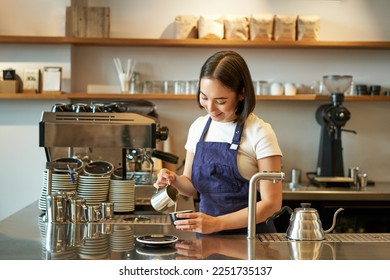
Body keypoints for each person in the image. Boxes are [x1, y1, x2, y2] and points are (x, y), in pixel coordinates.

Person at [153, 50, 283, 235]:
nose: (211, 108)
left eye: (221, 101)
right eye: (204, 97)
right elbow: (189, 187)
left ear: (242, 94)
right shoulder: (198, 127)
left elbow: (272, 204)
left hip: (251, 240)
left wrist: (217, 223)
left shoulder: (260, 132)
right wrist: (173, 179)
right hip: (207, 239)